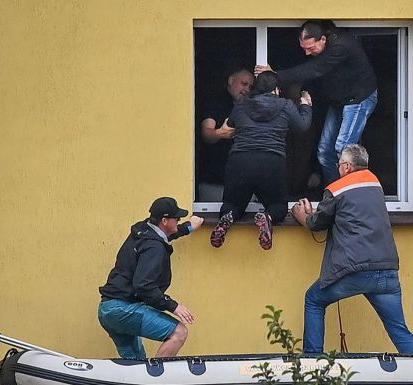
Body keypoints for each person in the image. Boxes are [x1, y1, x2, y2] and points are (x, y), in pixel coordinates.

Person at [290, 145, 413, 354]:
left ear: (348, 167)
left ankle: (312, 363)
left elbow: (317, 223)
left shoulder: (336, 189)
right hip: (387, 269)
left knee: (314, 300)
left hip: (356, 270)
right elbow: (355, 211)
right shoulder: (375, 184)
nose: (338, 168)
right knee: (399, 329)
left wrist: (301, 216)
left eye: (339, 164)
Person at [257, 20, 378, 186]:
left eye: (311, 48)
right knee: (324, 152)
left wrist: (275, 75)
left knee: (344, 149)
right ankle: (333, 194)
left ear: (323, 39)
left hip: (359, 98)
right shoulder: (322, 46)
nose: (307, 53)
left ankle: (350, 197)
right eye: (304, 48)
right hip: (339, 101)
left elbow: (314, 69)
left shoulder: (340, 45)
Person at [210, 71, 314, 250]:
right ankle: (268, 217)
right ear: (276, 90)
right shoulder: (286, 106)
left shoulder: (242, 104)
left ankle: (227, 217)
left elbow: (232, 125)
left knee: (232, 204)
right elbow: (302, 126)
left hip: (240, 160)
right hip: (271, 161)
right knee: (278, 206)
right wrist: (306, 106)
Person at [98, 197, 204, 359]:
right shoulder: (154, 247)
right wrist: (174, 306)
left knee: (136, 363)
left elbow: (162, 236)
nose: (179, 220)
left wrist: (187, 227)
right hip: (123, 310)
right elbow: (143, 285)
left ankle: (140, 382)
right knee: (179, 333)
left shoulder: (143, 230)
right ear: (164, 220)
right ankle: (157, 380)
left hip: (108, 309)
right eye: (176, 218)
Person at [197, 68, 255, 200]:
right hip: (215, 179)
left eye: (251, 87)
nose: (247, 89)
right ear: (230, 81)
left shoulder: (251, 106)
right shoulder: (215, 102)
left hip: (245, 180)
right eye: (244, 84)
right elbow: (206, 133)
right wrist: (220, 133)